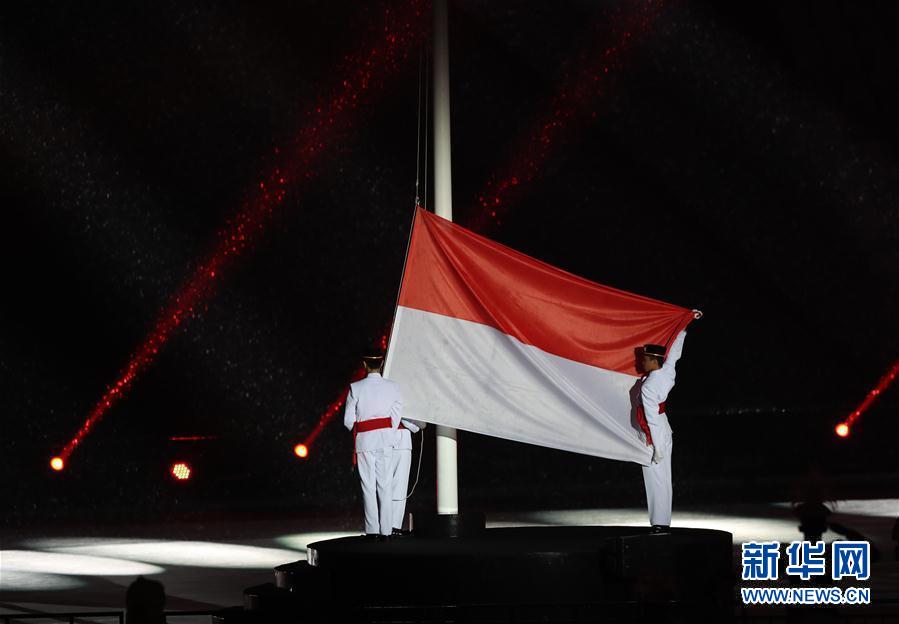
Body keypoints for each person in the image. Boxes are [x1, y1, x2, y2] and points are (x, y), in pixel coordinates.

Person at [344, 352, 403, 539]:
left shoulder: (356, 388)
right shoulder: (394, 387)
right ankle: (386, 531)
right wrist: (386, 429)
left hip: (365, 441)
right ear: (382, 363)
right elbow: (396, 416)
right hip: (385, 440)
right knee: (385, 485)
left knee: (368, 486)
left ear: (364, 364)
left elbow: (348, 421)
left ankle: (372, 531)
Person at [638, 329, 687, 533]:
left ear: (653, 361)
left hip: (655, 433)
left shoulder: (649, 386)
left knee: (656, 478)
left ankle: (660, 523)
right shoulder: (666, 372)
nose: (642, 362)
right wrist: (682, 330)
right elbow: (674, 355)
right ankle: (662, 520)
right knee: (663, 477)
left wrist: (657, 448)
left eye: (645, 360)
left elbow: (651, 420)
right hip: (663, 427)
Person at [392, 417, 422, 535]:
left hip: (381, 440)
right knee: (399, 486)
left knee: (383, 486)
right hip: (400, 441)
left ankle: (383, 525)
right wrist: (417, 424)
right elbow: (414, 427)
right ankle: (393, 526)